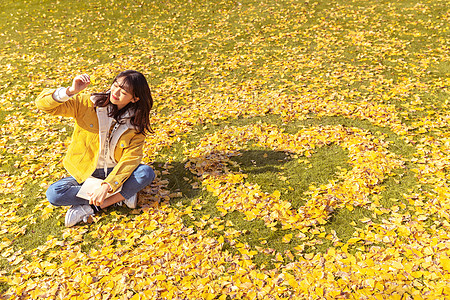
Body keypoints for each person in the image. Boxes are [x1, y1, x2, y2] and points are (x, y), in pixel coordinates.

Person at [36, 70, 155, 227]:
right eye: (115, 85)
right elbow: (43, 105)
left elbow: (130, 159)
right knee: (54, 194)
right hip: (87, 172)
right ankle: (123, 194)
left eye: (123, 92)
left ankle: (92, 206)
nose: (116, 92)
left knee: (146, 173)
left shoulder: (136, 123)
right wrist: (71, 91)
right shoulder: (88, 103)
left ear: (135, 98)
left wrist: (107, 186)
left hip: (115, 171)